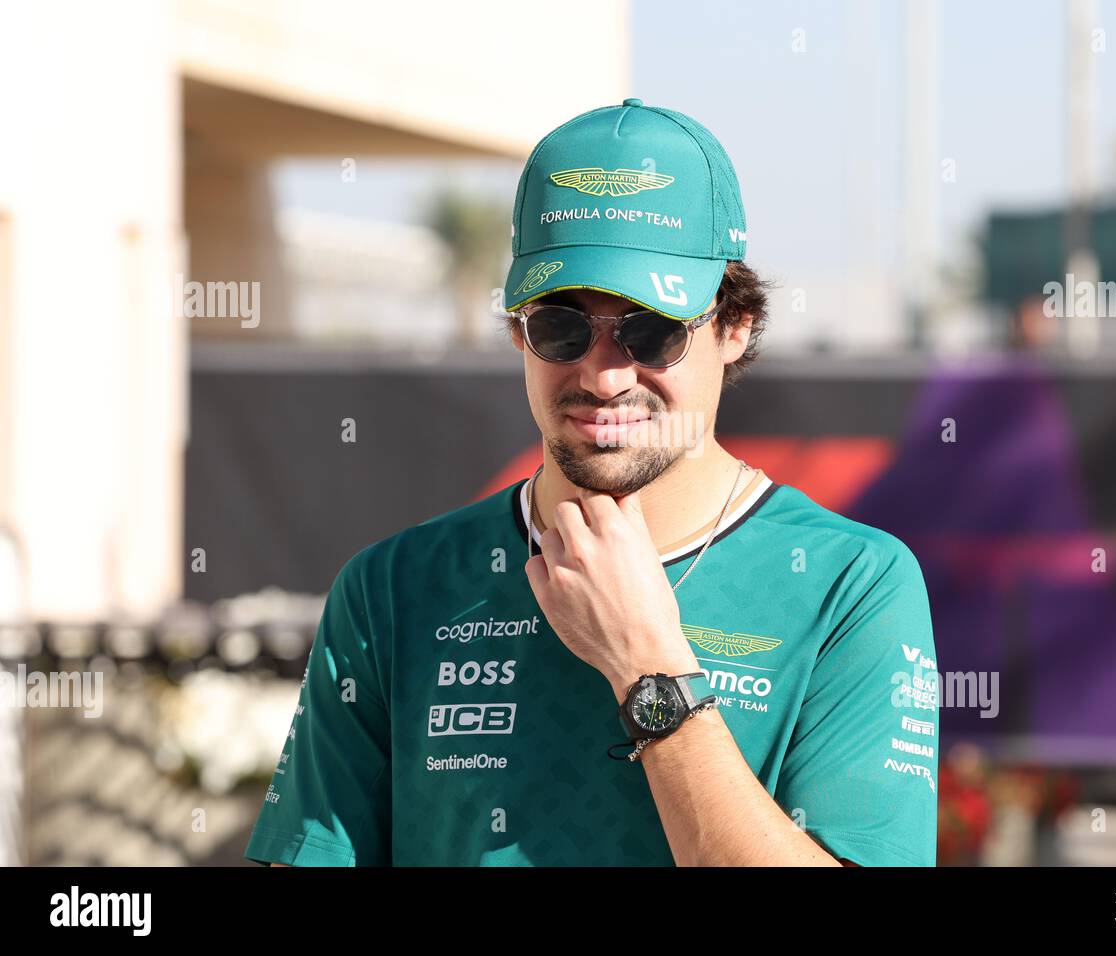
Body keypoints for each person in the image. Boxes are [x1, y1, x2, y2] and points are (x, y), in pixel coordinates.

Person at [246, 98, 938, 867]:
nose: (605, 376)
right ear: (517, 331)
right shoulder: (393, 589)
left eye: (651, 329)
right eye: (561, 327)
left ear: (735, 325)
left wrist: (649, 669)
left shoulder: (853, 585)